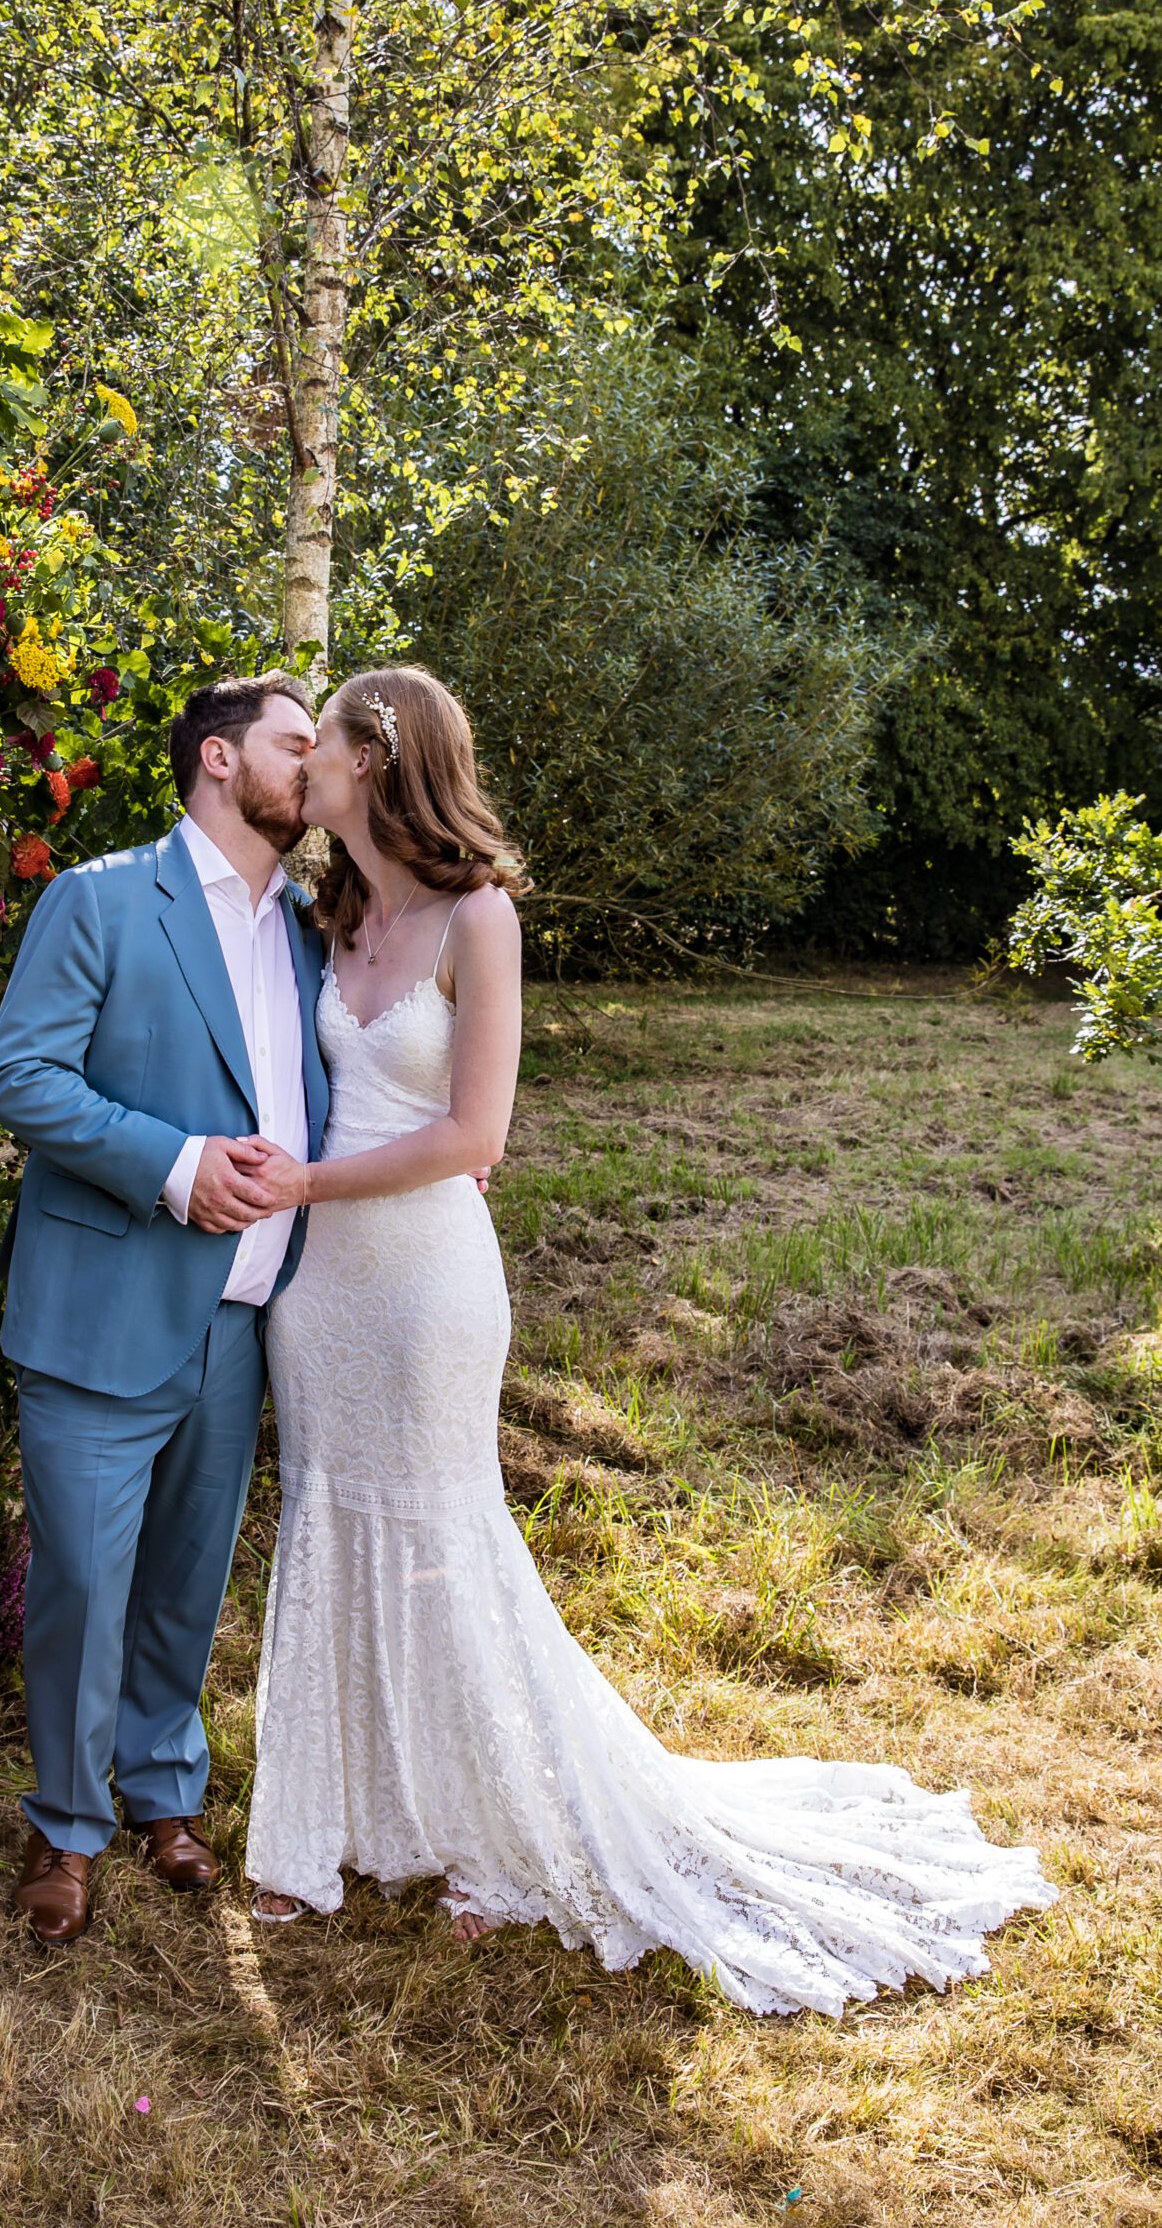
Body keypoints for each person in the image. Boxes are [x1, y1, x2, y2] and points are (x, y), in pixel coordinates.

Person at [231, 662, 1056, 2017]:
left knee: (441, 1535)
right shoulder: (326, 917)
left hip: (426, 1283)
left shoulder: (474, 917)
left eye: (315, 745)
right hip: (320, 1293)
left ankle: (488, 1832)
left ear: (373, 760)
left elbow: (473, 1136)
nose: (300, 768)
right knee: (332, 1517)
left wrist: (306, 1182)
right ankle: (335, 1823)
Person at [0, 671, 328, 1946]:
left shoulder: (308, 930)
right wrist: (177, 1166)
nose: (320, 764)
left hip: (243, 1316)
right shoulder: (103, 896)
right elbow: (17, 1074)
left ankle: (162, 1791)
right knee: (82, 1577)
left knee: (188, 1576)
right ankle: (65, 1825)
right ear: (221, 760)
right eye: (300, 742)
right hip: (103, 1299)